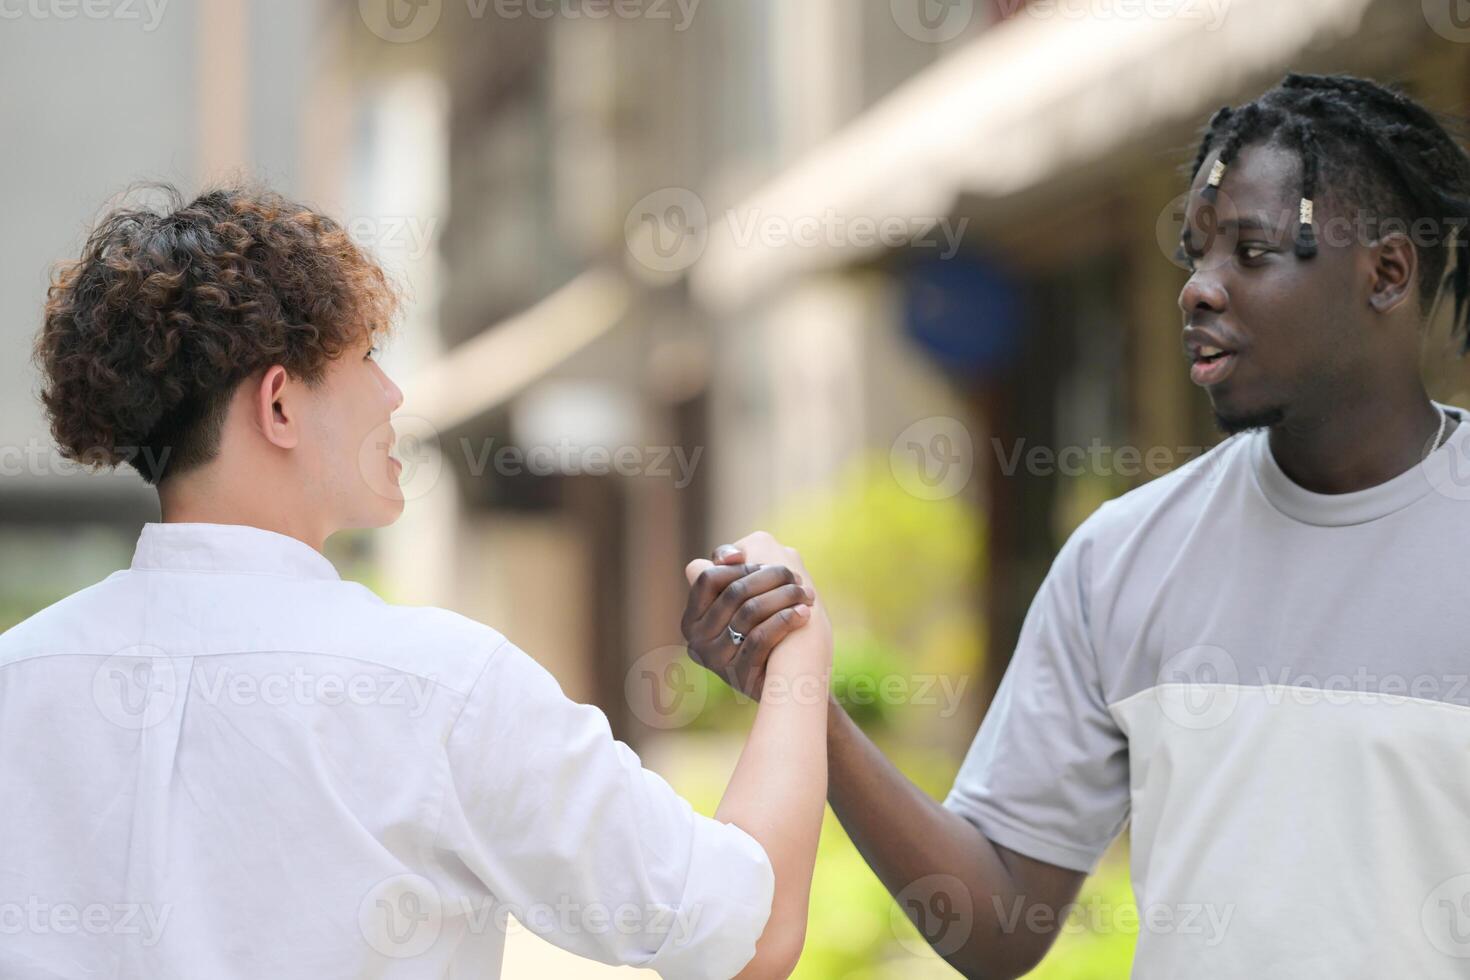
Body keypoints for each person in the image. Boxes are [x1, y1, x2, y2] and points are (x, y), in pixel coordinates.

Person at [684, 72, 1470, 978]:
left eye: (1251, 253)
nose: (1198, 292)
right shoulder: (1122, 558)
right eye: (1195, 256)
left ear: (1387, 273)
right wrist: (805, 701)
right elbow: (997, 923)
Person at [2, 184, 830, 979]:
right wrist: (799, 651)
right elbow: (741, 935)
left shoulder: (20, 677)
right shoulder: (439, 687)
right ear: (280, 407)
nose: (394, 393)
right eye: (365, 357)